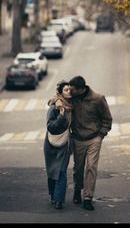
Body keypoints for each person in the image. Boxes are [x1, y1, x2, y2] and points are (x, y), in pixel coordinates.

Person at [69, 75, 112, 211]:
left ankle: (88, 198)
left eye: (72, 90)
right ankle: (77, 189)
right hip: (77, 138)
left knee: (91, 167)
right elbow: (56, 98)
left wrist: (101, 135)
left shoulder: (98, 99)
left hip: (94, 138)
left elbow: (107, 119)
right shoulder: (71, 98)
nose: (70, 92)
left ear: (81, 89)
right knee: (78, 168)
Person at [44, 81, 73, 210]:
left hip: (65, 144)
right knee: (52, 171)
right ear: (61, 92)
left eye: (70, 90)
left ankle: (58, 200)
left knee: (61, 171)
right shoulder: (55, 107)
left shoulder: (72, 106)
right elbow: (50, 127)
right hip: (51, 144)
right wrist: (61, 115)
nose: (69, 92)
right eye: (66, 90)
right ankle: (53, 195)